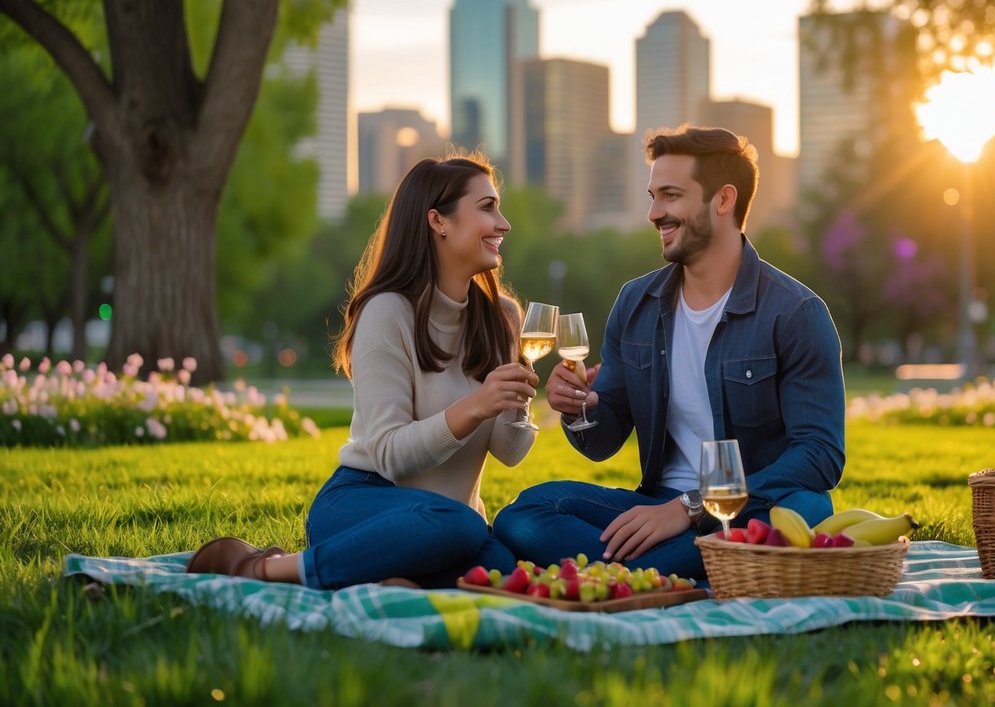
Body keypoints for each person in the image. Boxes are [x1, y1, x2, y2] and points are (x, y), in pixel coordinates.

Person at [493, 125, 845, 580]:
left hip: (749, 508)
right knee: (525, 514)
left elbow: (820, 455)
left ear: (723, 200)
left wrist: (689, 508)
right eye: (652, 196)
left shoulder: (796, 313)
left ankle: (629, 573)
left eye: (671, 196)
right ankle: (698, 567)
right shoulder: (635, 303)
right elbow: (606, 436)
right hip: (658, 505)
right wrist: (582, 407)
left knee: (808, 508)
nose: (654, 213)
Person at [187, 153, 539, 589]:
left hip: (446, 520)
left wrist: (519, 403)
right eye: (487, 207)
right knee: (463, 529)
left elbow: (508, 451)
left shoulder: (502, 316)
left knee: (501, 562)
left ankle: (385, 575)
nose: (503, 223)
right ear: (438, 221)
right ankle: (261, 567)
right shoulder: (387, 312)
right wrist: (476, 405)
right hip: (366, 498)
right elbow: (390, 455)